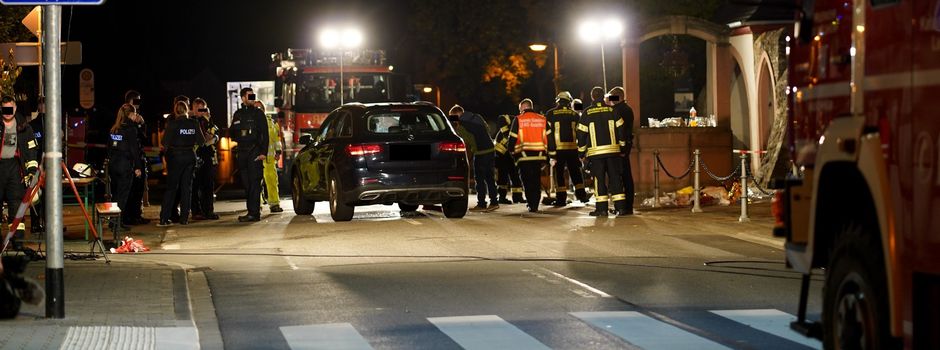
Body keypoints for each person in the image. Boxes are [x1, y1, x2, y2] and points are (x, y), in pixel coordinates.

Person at [577, 87, 628, 217]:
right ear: (604, 97)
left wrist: (581, 154)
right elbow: (622, 129)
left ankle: (602, 209)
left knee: (599, 181)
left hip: (596, 155)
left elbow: (581, 135)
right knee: (616, 179)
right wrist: (622, 147)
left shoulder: (587, 113)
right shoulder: (612, 110)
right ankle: (621, 208)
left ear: (592, 97)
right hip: (613, 153)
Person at [0, 96, 39, 249]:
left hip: (15, 168)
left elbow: (31, 150)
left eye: (10, 109)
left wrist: (31, 172)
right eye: (5, 109)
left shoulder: (24, 126)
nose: (8, 112)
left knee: (16, 203)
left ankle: (18, 241)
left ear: (15, 108)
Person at [158, 101, 205, 226]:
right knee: (186, 188)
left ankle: (164, 217)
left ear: (175, 111)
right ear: (186, 110)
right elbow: (201, 141)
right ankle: (184, 218)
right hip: (190, 156)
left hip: (175, 158)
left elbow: (164, 142)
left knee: (171, 188)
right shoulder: (194, 123)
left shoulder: (172, 124)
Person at [449, 105, 498, 212]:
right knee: (490, 178)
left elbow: (467, 141)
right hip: (490, 149)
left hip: (480, 152)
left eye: (452, 117)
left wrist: (468, 156)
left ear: (457, 114)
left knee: (479, 179)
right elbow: (487, 129)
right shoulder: (477, 117)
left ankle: (481, 204)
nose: (452, 120)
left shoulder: (462, 125)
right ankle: (494, 202)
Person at [230, 88, 268, 222]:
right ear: (243, 98)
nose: (252, 97)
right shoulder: (238, 114)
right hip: (242, 152)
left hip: (254, 151)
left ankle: (254, 213)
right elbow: (232, 133)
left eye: (253, 95)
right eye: (249, 95)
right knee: (246, 184)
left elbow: (265, 134)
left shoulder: (258, 114)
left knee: (254, 183)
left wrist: (263, 152)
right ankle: (251, 211)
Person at [545, 91, 588, 207]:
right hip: (573, 149)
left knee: (559, 174)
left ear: (558, 101)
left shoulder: (550, 114)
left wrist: (550, 153)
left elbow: (547, 134)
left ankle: (561, 199)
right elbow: (581, 133)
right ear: (569, 101)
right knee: (576, 172)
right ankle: (582, 196)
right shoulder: (575, 115)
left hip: (557, 150)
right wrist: (582, 151)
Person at [506, 98, 547, 213]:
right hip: (539, 156)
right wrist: (551, 155)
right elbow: (549, 137)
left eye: (520, 110)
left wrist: (510, 150)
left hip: (524, 156)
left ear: (523, 108)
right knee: (536, 180)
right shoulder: (542, 119)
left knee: (527, 181)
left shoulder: (518, 119)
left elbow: (512, 137)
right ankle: (535, 204)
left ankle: (531, 205)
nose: (520, 112)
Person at [107, 104, 145, 229]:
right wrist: (138, 167)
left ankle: (113, 221)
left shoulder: (114, 129)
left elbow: (109, 148)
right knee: (122, 195)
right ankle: (117, 222)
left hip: (113, 164)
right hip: (125, 164)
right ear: (130, 114)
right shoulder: (130, 129)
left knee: (115, 194)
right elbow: (134, 150)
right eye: (134, 114)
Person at [123, 90, 151, 225]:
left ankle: (135, 214)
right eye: (136, 101)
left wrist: (142, 123)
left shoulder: (137, 118)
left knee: (138, 189)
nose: (139, 104)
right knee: (131, 189)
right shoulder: (125, 119)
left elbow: (144, 138)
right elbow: (138, 139)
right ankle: (129, 216)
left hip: (134, 156)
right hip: (131, 159)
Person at [190, 98, 220, 220]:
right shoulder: (190, 121)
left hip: (208, 156)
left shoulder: (208, 121)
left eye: (203, 109)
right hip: (195, 156)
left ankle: (209, 211)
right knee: (195, 186)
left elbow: (216, 132)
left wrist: (215, 138)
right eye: (198, 109)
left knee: (208, 186)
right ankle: (196, 212)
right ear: (193, 109)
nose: (201, 111)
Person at [609, 87, 636, 215]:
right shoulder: (628, 109)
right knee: (626, 176)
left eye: (611, 97)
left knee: (619, 177)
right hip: (626, 146)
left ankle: (622, 206)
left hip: (619, 147)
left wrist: (622, 149)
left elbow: (621, 131)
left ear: (617, 97)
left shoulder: (617, 110)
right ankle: (627, 206)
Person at [255, 100, 284, 213]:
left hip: (269, 159)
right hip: (256, 158)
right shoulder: (251, 122)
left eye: (260, 108)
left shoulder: (271, 123)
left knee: (272, 181)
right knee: (256, 183)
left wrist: (278, 151)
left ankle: (274, 204)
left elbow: (276, 139)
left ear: (264, 110)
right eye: (256, 108)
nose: (259, 110)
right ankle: (256, 205)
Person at [493, 114, 524, 204]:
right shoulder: (514, 119)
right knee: (503, 175)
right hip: (501, 153)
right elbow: (501, 118)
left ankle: (518, 197)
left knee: (515, 174)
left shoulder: (524, 125)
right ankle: (502, 197)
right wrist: (508, 135)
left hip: (512, 153)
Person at [27, 97, 44, 234]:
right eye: (42, 103)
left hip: (49, 165)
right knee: (35, 195)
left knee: (48, 195)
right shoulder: (32, 125)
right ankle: (35, 224)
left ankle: (47, 222)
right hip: (36, 164)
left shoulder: (52, 124)